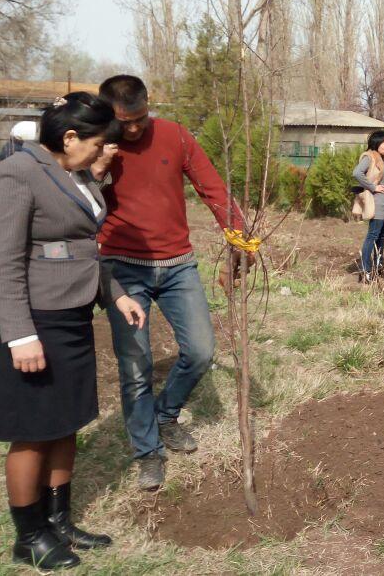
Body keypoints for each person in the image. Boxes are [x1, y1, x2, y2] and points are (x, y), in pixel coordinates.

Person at [0, 93, 146, 570]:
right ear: (69, 137)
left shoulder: (71, 176)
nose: (102, 156)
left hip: (70, 316)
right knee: (32, 431)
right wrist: (18, 333)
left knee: (65, 422)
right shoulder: (17, 173)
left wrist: (114, 292)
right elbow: (2, 262)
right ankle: (28, 535)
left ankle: (59, 520)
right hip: (33, 321)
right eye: (97, 146)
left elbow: (81, 249)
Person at [94, 75, 247, 491]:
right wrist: (98, 166)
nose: (132, 129)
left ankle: (166, 415)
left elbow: (211, 187)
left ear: (149, 105)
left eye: (139, 118)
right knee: (135, 367)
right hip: (122, 268)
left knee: (200, 351)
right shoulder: (99, 146)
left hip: (178, 264)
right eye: (122, 122)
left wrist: (238, 232)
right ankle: (148, 453)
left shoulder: (175, 136)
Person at [352, 130, 384, 283]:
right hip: (377, 204)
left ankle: (378, 267)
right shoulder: (369, 157)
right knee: (372, 236)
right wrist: (372, 187)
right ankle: (365, 270)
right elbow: (357, 173)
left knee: (382, 238)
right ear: (377, 143)